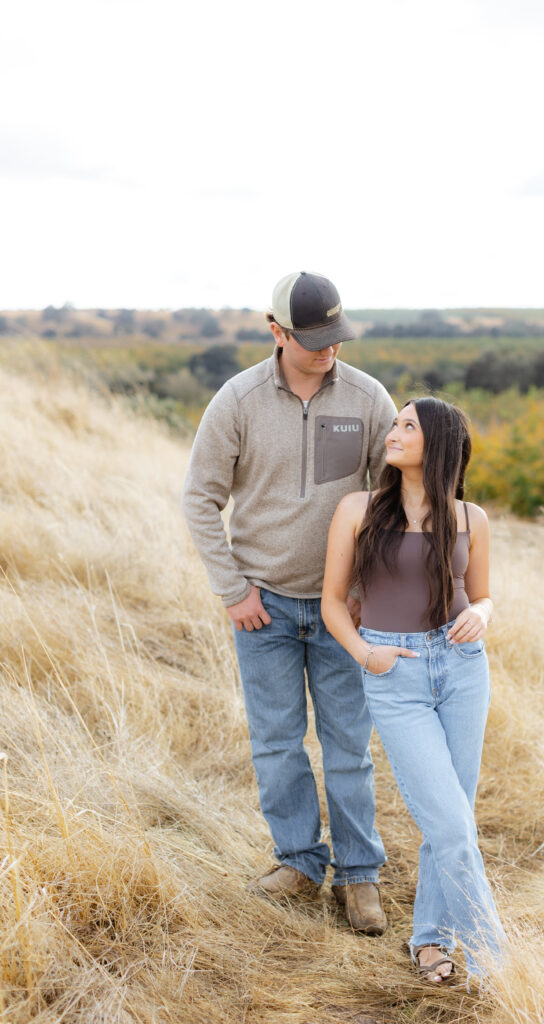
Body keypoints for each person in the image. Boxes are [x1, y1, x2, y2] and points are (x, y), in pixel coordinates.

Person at [182, 271, 397, 934]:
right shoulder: (238, 399)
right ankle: (300, 863)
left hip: (344, 610)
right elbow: (199, 498)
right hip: (264, 608)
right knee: (276, 744)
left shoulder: (367, 398)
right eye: (311, 340)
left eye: (335, 337)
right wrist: (233, 590)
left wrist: (372, 592)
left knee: (347, 749)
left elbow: (395, 503)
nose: (327, 349)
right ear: (275, 332)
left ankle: (358, 877)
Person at [321, 396, 507, 987]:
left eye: (409, 426)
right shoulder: (358, 509)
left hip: (461, 667)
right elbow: (332, 602)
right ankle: (497, 966)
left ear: (441, 444)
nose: (393, 431)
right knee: (452, 825)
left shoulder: (470, 518)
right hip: (393, 673)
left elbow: (481, 594)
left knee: (450, 816)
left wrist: (482, 612)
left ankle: (431, 940)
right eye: (395, 422)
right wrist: (366, 654)